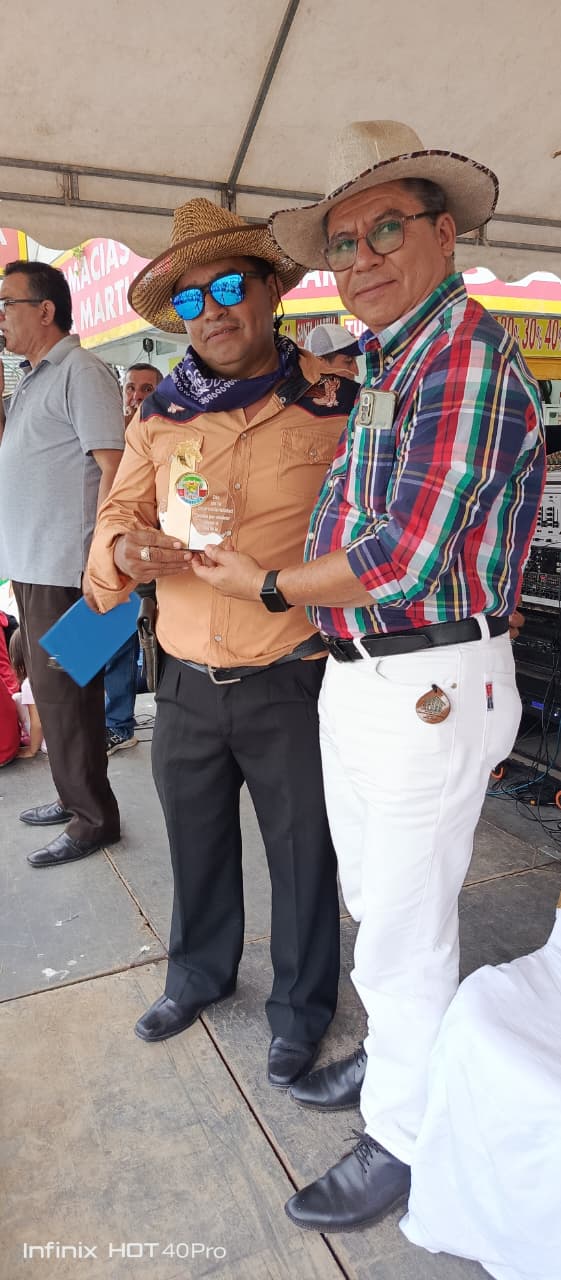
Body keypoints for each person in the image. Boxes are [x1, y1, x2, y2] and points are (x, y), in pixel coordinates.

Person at [189, 121, 546, 1228]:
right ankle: (404, 1056)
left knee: (401, 918)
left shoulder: (466, 355)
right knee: (380, 899)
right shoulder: (396, 357)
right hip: (372, 673)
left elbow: (403, 556)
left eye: (386, 229)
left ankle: (403, 1134)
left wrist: (268, 585)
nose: (361, 257)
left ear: (445, 234)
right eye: (342, 243)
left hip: (423, 678)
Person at [87, 199, 358, 1084]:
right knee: (195, 843)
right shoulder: (159, 415)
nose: (212, 310)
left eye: (231, 288)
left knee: (303, 854)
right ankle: (198, 975)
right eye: (191, 299)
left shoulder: (337, 402)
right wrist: (124, 552)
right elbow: (117, 515)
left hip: (294, 675)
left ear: (273, 290)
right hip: (185, 681)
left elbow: (375, 537)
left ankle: (301, 1009)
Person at [0, 261, 123, 867]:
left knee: (69, 695)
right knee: (55, 695)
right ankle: (74, 797)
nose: (1, 318)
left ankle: (93, 819)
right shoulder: (33, 377)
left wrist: (102, 559)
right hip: (34, 565)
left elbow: (114, 469)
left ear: (45, 310)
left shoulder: (81, 370)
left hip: (68, 567)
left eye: (7, 304)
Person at [104, 362, 163, 755]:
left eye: (146, 389)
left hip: (155, 560)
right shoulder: (114, 433)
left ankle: (122, 724)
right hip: (115, 557)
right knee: (113, 648)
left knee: (148, 648)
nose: (137, 396)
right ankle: (115, 724)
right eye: (131, 388)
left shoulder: (166, 430)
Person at [9, 625, 46, 757]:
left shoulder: (29, 683)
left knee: (16, 698)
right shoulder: (56, 675)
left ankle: (30, 738)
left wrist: (32, 750)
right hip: (74, 736)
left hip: (50, 744)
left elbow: (37, 724)